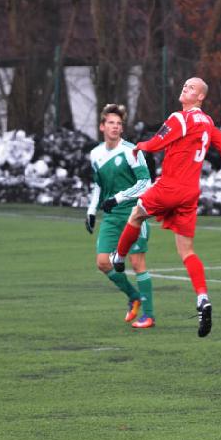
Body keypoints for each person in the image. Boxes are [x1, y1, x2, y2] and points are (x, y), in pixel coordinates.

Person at [110, 77, 221, 338]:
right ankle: (202, 298)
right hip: (190, 194)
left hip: (170, 187)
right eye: (185, 85)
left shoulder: (180, 118)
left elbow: (157, 143)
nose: (186, 88)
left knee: (136, 214)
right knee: (186, 250)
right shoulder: (208, 123)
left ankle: (118, 256)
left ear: (200, 97)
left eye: (191, 87)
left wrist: (139, 147)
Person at [86, 104, 156, 328]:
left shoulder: (131, 151)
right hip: (111, 216)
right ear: (102, 127)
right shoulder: (95, 154)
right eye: (111, 123)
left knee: (136, 262)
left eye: (118, 124)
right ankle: (134, 296)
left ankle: (149, 315)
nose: (115, 127)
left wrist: (118, 198)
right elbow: (98, 186)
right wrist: (91, 210)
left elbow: (145, 183)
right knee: (103, 262)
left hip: (135, 213)